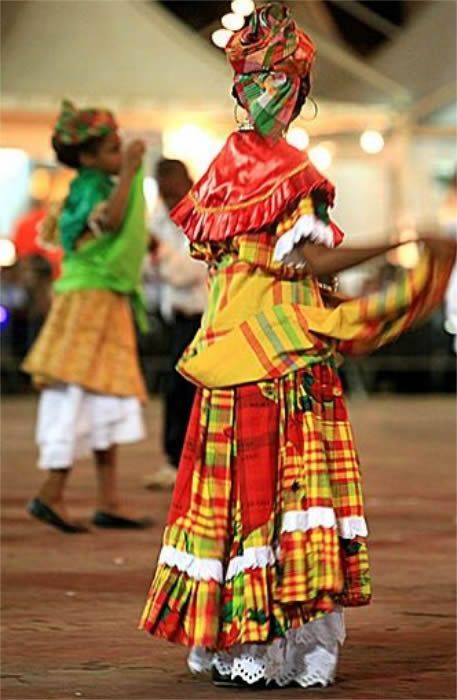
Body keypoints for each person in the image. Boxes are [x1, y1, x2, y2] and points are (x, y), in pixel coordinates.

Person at [139, 4, 455, 689]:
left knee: (230, 502)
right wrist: (407, 240)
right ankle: (275, 647)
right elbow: (309, 264)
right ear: (301, 91)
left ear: (240, 84)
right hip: (281, 353)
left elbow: (240, 259)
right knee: (282, 496)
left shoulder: (221, 168)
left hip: (225, 348)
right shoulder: (291, 171)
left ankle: (230, 644)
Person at [22, 99, 152, 534]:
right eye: (114, 150)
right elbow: (112, 222)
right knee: (76, 394)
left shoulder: (88, 184)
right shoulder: (93, 187)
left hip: (99, 298)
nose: (121, 156)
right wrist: (132, 170)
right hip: (89, 301)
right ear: (88, 156)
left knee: (103, 396)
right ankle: (51, 491)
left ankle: (106, 498)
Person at [144, 159, 208, 490]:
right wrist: (162, 259)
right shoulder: (161, 217)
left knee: (200, 392)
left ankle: (202, 462)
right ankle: (176, 461)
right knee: (177, 392)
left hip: (204, 318)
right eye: (163, 192)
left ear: (188, 180)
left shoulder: (203, 214)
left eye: (172, 190)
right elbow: (148, 270)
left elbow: (187, 271)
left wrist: (158, 252)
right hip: (176, 319)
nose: (169, 199)